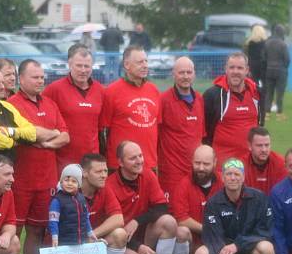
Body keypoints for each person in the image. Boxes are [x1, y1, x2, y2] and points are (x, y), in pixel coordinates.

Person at [8, 59, 69, 254]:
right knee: (13, 230)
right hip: (20, 179)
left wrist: (45, 141)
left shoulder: (51, 104)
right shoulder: (12, 105)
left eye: (42, 77)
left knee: (38, 229)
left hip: (47, 181)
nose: (40, 80)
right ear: (21, 79)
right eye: (35, 77)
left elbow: (65, 137)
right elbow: (25, 136)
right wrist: (44, 136)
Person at [192, 158, 275, 254]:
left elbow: (265, 231)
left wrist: (238, 245)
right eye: (229, 174)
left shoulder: (259, 198)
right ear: (223, 178)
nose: (233, 178)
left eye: (237, 174)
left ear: (243, 177)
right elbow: (214, 239)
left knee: (267, 249)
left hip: (247, 250)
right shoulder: (213, 203)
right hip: (222, 251)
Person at [105, 141, 182, 254]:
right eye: (133, 158)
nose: (139, 160)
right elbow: (114, 230)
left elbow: (162, 207)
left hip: (141, 234)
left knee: (169, 222)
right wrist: (137, 246)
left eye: (140, 156)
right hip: (120, 240)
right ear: (120, 162)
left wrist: (137, 221)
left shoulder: (148, 174)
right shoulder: (110, 185)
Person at [0, 68, 56, 183]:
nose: (2, 87)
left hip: (6, 176)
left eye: (2, 83)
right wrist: (21, 141)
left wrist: (11, 132)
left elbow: (32, 132)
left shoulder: (7, 106)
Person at [44, 44, 105, 173]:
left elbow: (100, 129)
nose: (83, 70)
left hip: (92, 163)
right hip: (64, 162)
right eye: (79, 65)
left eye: (87, 66)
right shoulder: (54, 89)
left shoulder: (100, 90)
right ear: (70, 65)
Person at [100, 46, 161, 171]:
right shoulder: (112, 92)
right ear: (127, 65)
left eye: (146, 61)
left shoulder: (154, 90)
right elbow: (102, 131)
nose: (145, 65)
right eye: (140, 62)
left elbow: (157, 127)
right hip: (120, 167)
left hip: (149, 164)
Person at [80, 153, 136, 254]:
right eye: (98, 171)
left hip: (92, 241)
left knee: (121, 236)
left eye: (105, 171)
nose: (104, 175)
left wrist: (92, 235)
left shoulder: (104, 189)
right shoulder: (70, 190)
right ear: (84, 173)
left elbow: (118, 219)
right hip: (70, 243)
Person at [169, 145, 221, 254]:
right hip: (194, 242)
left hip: (221, 238)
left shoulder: (224, 182)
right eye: (197, 163)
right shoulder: (183, 185)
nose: (201, 168)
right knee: (181, 232)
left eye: (206, 164)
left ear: (215, 163)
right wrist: (208, 229)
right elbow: (181, 219)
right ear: (192, 161)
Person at [203, 52, 263, 165]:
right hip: (222, 166)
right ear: (226, 69)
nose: (235, 72)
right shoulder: (213, 95)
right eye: (232, 67)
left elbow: (260, 125)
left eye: (240, 68)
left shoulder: (257, 93)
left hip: (250, 163)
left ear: (247, 70)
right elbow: (204, 132)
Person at [157, 56, 204, 195]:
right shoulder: (163, 100)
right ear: (173, 74)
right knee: (173, 213)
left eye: (189, 72)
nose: (185, 76)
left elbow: (200, 135)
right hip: (171, 172)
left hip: (195, 169)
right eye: (181, 72)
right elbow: (155, 135)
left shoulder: (200, 99)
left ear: (194, 74)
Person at [49, 164, 96, 247]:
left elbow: (86, 217)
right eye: (66, 180)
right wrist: (54, 236)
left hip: (81, 241)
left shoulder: (82, 199)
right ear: (61, 181)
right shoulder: (57, 200)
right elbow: (53, 221)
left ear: (79, 184)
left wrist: (90, 232)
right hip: (63, 242)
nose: (69, 183)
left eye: (74, 181)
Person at [242, 126, 286, 195]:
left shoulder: (280, 163)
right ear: (249, 146)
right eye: (259, 145)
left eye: (267, 145)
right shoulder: (241, 165)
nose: (264, 150)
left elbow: (283, 192)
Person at [263, 24, 290, 120]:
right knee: (280, 93)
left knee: (269, 93)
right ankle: (279, 114)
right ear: (282, 33)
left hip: (269, 70)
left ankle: (266, 114)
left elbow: (264, 58)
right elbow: (287, 59)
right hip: (280, 71)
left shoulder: (267, 43)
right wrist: (284, 67)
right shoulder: (283, 44)